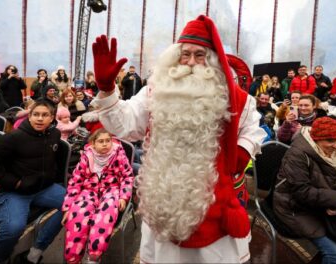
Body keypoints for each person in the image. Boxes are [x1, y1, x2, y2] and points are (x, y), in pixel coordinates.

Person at [91, 15, 266, 263]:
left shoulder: (232, 96)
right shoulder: (155, 90)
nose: (191, 63)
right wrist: (107, 89)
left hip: (213, 204)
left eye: (199, 55)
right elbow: (127, 125)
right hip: (163, 200)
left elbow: (253, 127)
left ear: (213, 60)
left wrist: (243, 150)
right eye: (185, 55)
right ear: (175, 57)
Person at [273, 117, 336, 264]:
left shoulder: (333, 152)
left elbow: (326, 182)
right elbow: (301, 192)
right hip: (293, 208)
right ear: (315, 139)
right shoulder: (297, 154)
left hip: (318, 207)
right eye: (330, 141)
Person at [0, 101, 65, 264]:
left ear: (52, 118)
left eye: (44, 115)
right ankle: (0, 260)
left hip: (44, 188)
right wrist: (16, 183)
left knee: (75, 204)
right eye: (35, 114)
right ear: (29, 116)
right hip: (15, 192)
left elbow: (55, 160)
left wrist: (54, 177)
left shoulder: (55, 135)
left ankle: (35, 252)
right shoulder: (13, 138)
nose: (39, 119)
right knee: (13, 228)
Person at [61, 128, 134, 263]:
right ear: (93, 144)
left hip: (111, 190)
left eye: (108, 141)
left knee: (103, 218)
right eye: (101, 141)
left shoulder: (119, 155)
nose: (105, 144)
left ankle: (94, 256)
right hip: (88, 191)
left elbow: (127, 177)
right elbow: (75, 182)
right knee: (78, 215)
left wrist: (124, 196)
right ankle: (73, 257)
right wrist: (68, 207)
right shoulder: (86, 157)